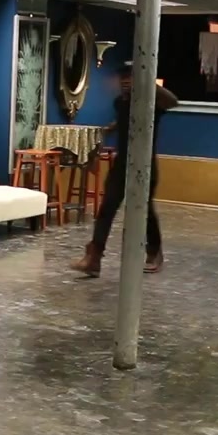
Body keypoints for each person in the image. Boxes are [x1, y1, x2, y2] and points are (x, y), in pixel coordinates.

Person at [71, 62, 178, 276]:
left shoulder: (152, 103)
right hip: (121, 165)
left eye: (130, 77)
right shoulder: (120, 102)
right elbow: (125, 120)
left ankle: (154, 252)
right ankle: (94, 257)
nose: (125, 81)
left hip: (144, 164)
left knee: (144, 210)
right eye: (123, 77)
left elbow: (173, 101)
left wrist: (148, 85)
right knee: (107, 208)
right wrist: (112, 127)